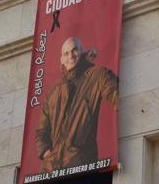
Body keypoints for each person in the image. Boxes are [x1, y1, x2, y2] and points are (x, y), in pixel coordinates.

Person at [35, 37, 119, 173]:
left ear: (82, 52)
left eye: (75, 50)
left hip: (81, 166)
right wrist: (46, 153)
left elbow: (118, 95)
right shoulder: (53, 94)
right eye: (66, 53)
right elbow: (41, 132)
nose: (71, 56)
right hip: (50, 171)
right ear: (61, 59)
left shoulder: (97, 75)